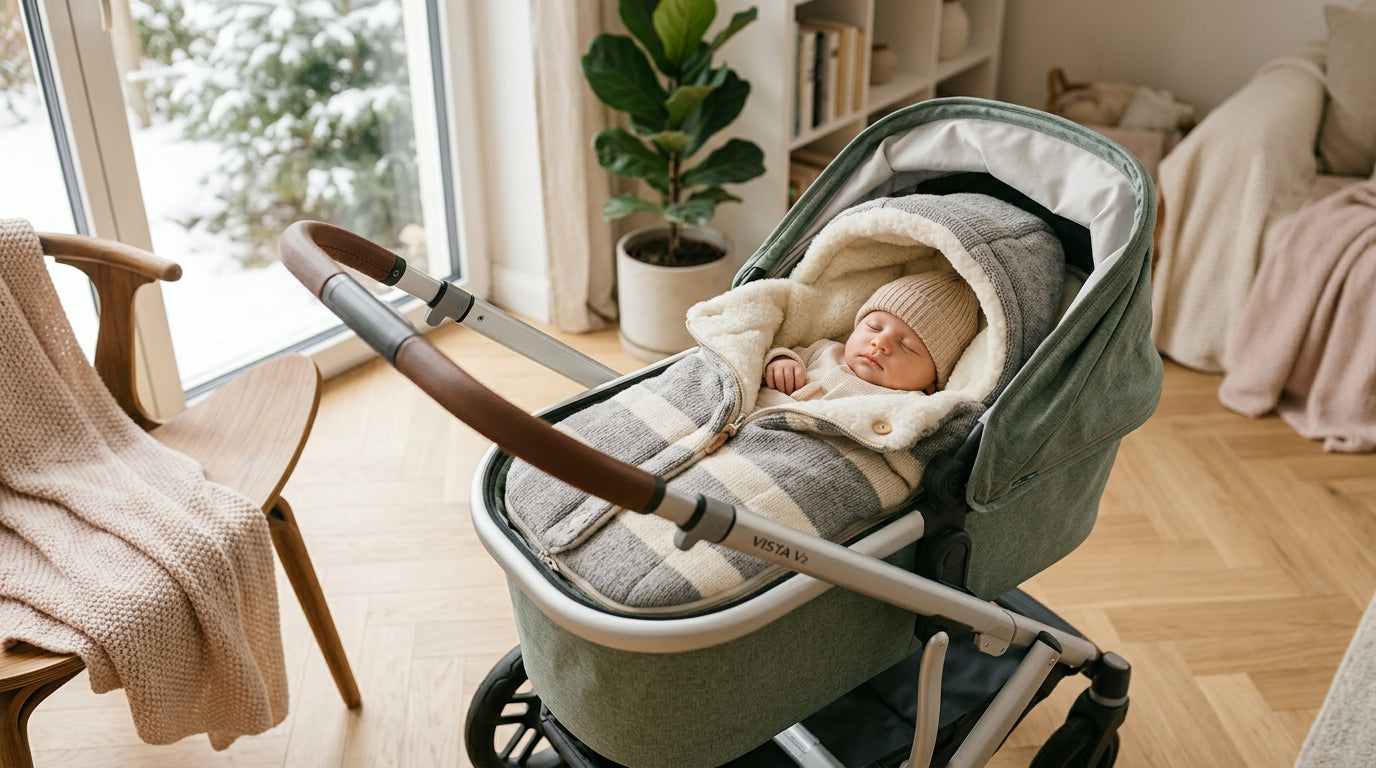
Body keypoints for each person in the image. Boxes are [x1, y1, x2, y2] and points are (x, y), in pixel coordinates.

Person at [763, 271, 979, 399]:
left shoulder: (912, 404)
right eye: (874, 327)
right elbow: (769, 356)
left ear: (932, 383)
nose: (880, 342)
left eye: (907, 346)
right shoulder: (825, 350)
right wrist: (781, 361)